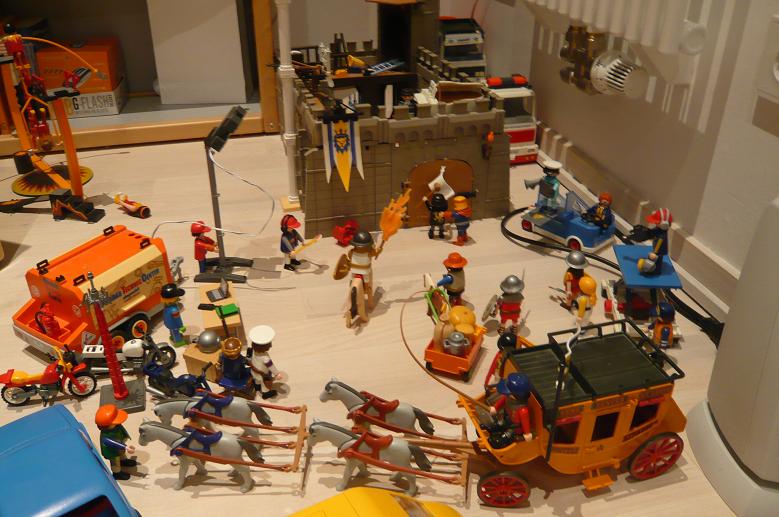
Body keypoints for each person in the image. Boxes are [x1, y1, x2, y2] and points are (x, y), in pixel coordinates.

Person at [486, 372, 533, 448]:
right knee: (498, 425)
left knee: (505, 437)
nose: (507, 395)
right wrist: (495, 408)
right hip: (506, 419)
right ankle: (496, 428)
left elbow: (525, 423)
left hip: (515, 428)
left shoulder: (523, 410)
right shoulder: (509, 398)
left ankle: (504, 437)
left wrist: (527, 434)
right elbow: (502, 401)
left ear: (517, 395)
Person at [96, 404, 136, 480]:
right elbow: (114, 443)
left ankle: (123, 461)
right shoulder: (106, 437)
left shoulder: (116, 427)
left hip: (119, 448)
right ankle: (117, 473)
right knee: (115, 463)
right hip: (112, 452)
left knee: (122, 455)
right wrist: (125, 447)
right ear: (107, 425)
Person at [247, 325, 282, 399]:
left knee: (257, 380)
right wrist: (277, 374)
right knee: (264, 384)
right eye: (269, 344)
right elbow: (271, 367)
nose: (270, 346)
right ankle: (265, 393)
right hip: (263, 374)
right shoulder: (265, 358)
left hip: (254, 371)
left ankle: (257, 387)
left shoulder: (253, 351)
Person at [635, 208, 672, 276]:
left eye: (656, 222)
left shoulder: (662, 236)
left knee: (657, 260)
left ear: (663, 224)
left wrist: (655, 253)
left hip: (659, 250)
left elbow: (659, 243)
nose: (655, 223)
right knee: (655, 259)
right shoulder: (660, 230)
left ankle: (656, 271)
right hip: (657, 248)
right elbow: (653, 232)